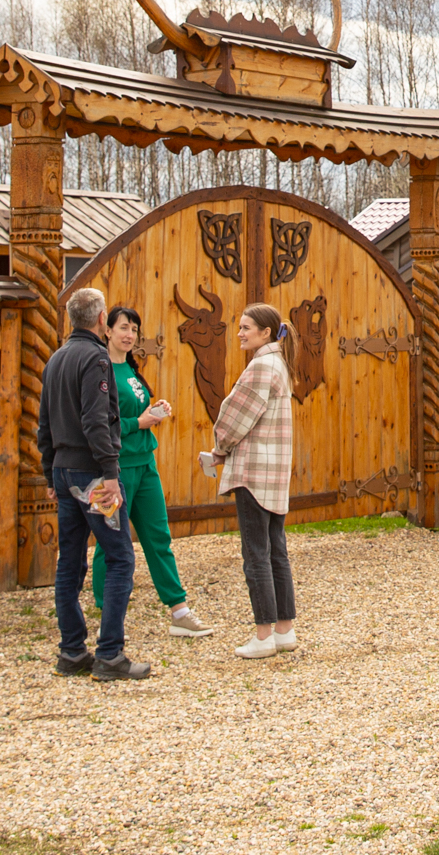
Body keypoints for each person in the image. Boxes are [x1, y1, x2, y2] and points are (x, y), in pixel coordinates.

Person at [35, 286, 150, 681]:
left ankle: (71, 651)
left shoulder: (55, 359)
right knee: (119, 557)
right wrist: (111, 474)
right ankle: (110, 654)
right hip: (94, 477)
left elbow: (44, 424)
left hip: (64, 473)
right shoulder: (96, 358)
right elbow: (96, 421)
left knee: (70, 560)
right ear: (102, 319)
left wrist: (49, 472)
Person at [93, 305, 215, 638]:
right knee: (110, 541)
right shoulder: (100, 371)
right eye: (123, 327)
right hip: (115, 469)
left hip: (145, 464)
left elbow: (132, 413)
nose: (129, 334)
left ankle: (180, 611)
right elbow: (99, 425)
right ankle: (107, 613)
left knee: (158, 537)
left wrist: (154, 411)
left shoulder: (131, 370)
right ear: (107, 331)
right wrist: (139, 422)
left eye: (134, 329)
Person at [207, 303, 297, 660]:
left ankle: (263, 635)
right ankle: (284, 630)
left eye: (246, 327)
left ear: (265, 332)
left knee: (256, 554)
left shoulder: (260, 366)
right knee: (276, 551)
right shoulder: (280, 364)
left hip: (253, 473)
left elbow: (233, 419)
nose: (240, 333)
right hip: (273, 473)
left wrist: (219, 448)